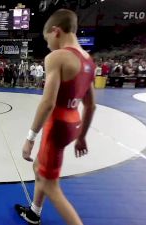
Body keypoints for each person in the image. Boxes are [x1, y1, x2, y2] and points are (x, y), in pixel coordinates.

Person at [15, 9, 97, 225]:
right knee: (39, 167)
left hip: (57, 126)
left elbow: (48, 103)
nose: (48, 44)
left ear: (56, 31)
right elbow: (91, 105)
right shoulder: (88, 61)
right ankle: (34, 211)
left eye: (47, 39)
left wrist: (30, 138)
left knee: (52, 186)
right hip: (74, 124)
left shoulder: (57, 57)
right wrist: (82, 137)